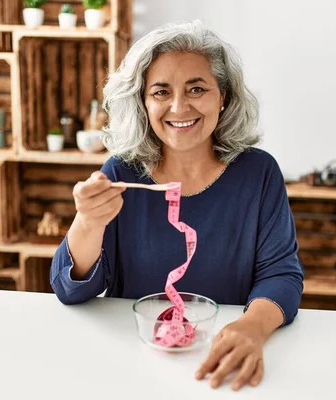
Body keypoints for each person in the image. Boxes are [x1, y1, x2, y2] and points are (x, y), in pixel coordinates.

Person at [50, 19, 304, 391]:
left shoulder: (258, 173)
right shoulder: (122, 174)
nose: (179, 106)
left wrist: (252, 327)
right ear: (143, 102)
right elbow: (69, 290)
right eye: (161, 92)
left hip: (224, 362)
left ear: (223, 97)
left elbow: (281, 274)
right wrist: (88, 222)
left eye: (196, 88)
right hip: (135, 366)